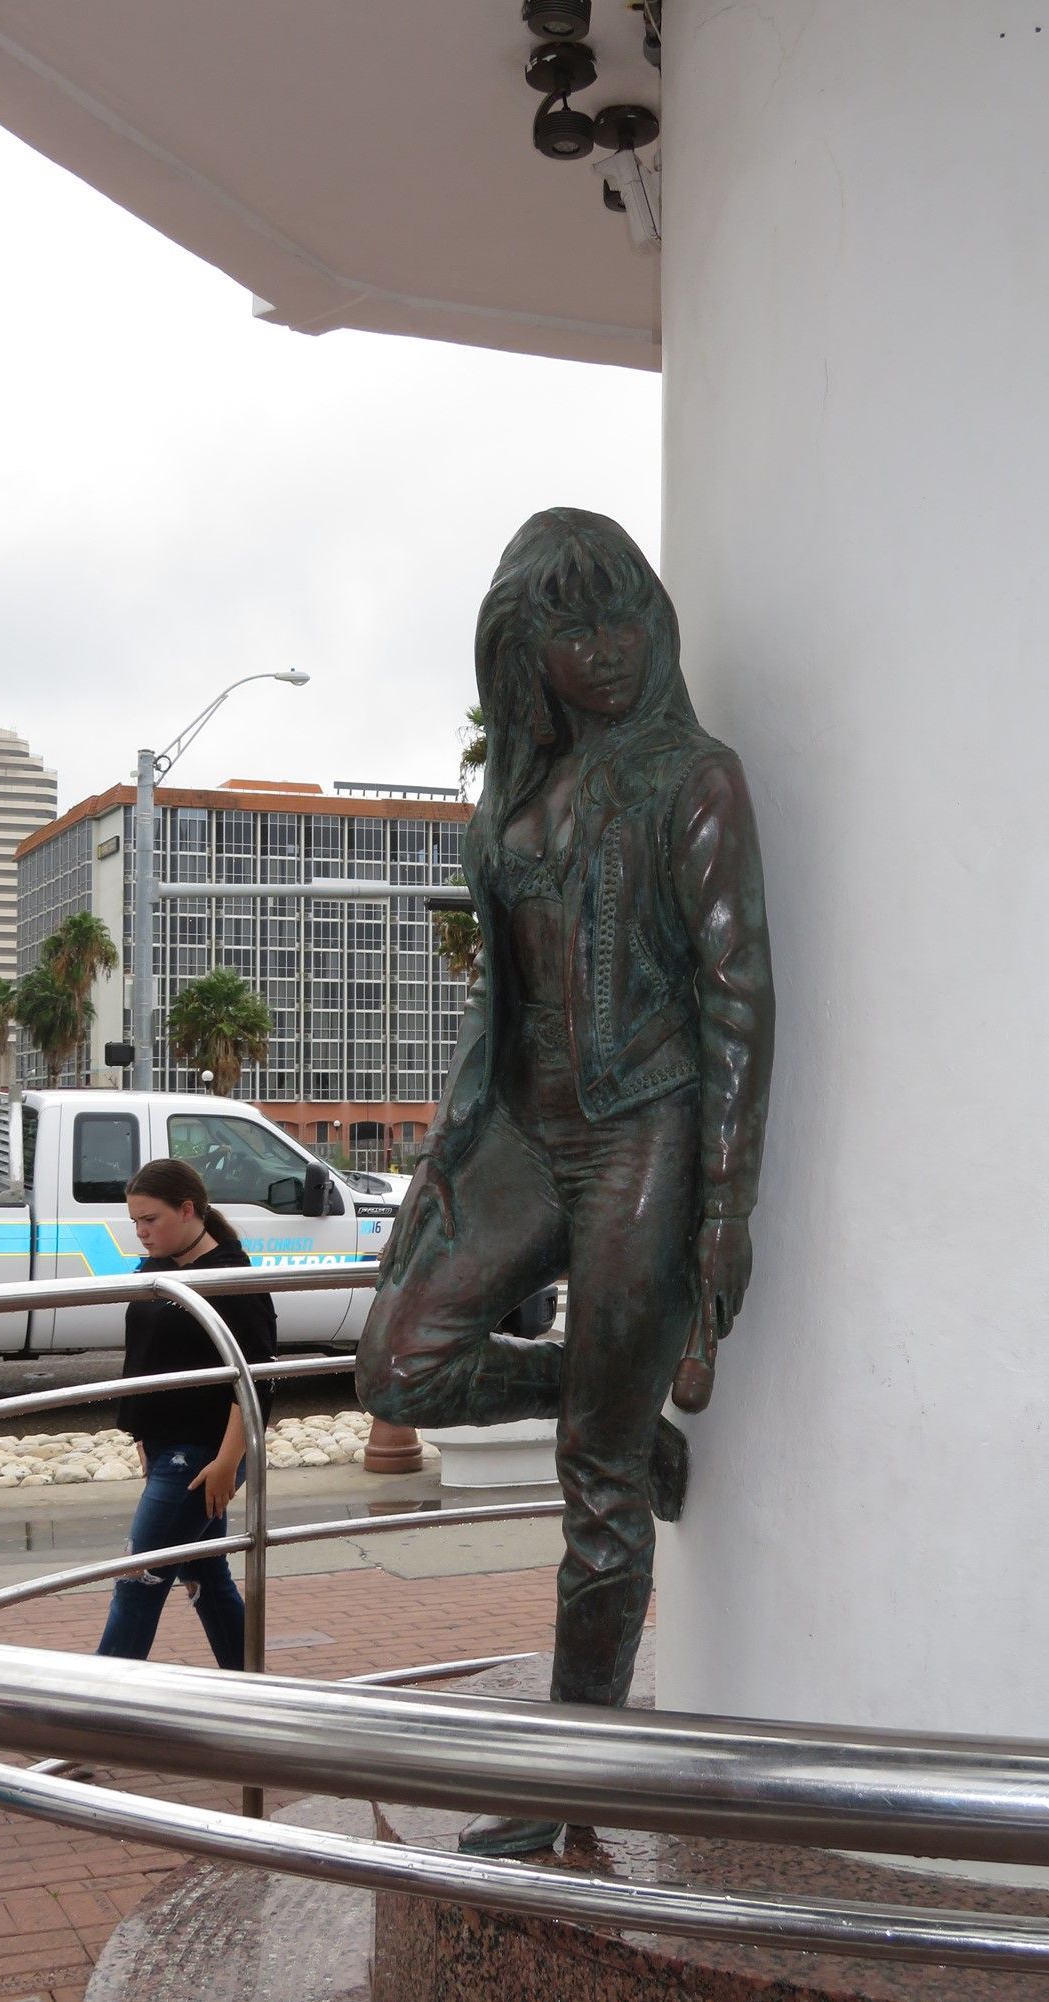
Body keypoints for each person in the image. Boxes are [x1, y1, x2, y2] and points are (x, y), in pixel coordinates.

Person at [357, 507, 775, 1855]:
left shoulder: (692, 779)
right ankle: (610, 1407)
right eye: (563, 626)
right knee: (398, 1368)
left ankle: (570, 1786)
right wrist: (439, 1165)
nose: (597, 652)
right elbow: (496, 1015)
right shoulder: (514, 800)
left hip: (643, 1135)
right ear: (518, 646)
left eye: (616, 619)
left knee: (593, 1491)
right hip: (526, 1141)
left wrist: (726, 1207)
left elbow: (738, 1005)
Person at [96, 1158, 276, 1669]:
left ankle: (96, 1707)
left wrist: (227, 1462)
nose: (141, 1232)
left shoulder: (229, 1277)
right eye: (134, 1221)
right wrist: (142, 1437)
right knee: (206, 1574)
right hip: (166, 1444)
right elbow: (147, 1360)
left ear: (188, 1210)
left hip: (202, 1453)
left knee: (140, 1576)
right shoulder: (158, 1269)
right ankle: (254, 1688)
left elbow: (256, 1379)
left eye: (150, 1219)